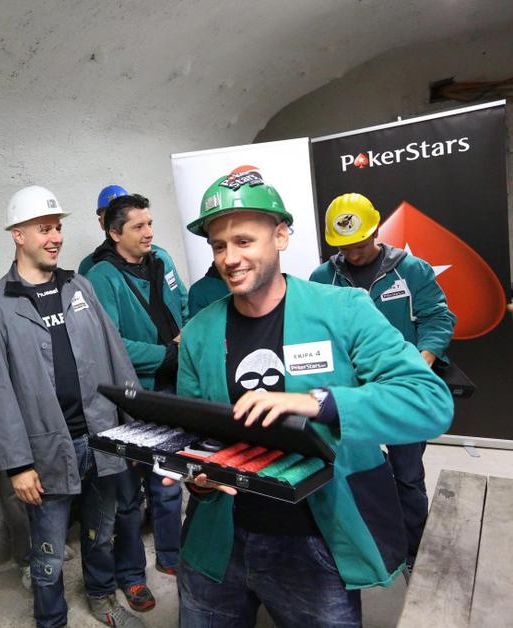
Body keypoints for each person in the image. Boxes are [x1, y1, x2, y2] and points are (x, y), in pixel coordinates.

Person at [174, 168, 454, 627]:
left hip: (315, 541)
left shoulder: (343, 310)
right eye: (219, 246)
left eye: (244, 241)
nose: (230, 258)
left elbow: (429, 401)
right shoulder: (201, 331)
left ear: (281, 236)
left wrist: (319, 403)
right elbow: (195, 434)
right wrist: (196, 480)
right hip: (218, 540)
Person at [0, 185, 144, 628]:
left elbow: (116, 356)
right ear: (18, 235)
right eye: (44, 229)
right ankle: (51, 620)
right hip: (46, 450)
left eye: (58, 228)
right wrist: (17, 465)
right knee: (47, 553)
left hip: (102, 438)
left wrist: (135, 430)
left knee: (101, 535)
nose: (56, 238)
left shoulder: (78, 286)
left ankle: (103, 600)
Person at [310, 193, 456, 570]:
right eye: (344, 248)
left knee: (407, 476)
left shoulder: (412, 270)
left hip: (399, 393)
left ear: (376, 230)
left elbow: (438, 318)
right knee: (352, 472)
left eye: (359, 245)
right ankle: (366, 546)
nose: (353, 254)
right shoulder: (323, 278)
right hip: (349, 395)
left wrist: (421, 361)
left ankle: (413, 551)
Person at [85, 193, 187, 608]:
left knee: (168, 481)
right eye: (139, 226)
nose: (149, 232)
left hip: (172, 390)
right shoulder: (100, 277)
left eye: (150, 223)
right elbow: (110, 344)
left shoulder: (161, 259)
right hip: (131, 400)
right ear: (115, 233)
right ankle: (130, 575)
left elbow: (183, 303)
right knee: (127, 498)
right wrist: (166, 353)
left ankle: (171, 556)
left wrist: (187, 339)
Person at [78, 184, 127, 276]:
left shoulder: (151, 256)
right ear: (101, 223)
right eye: (109, 215)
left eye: (121, 213)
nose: (116, 220)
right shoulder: (88, 265)